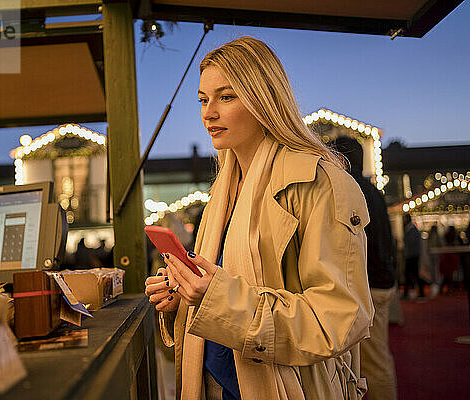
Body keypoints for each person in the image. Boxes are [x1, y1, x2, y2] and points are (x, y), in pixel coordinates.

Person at [144, 37, 373, 400]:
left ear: (264, 97)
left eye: (226, 96)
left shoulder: (321, 183)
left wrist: (216, 300)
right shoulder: (223, 189)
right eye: (203, 99)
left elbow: (339, 319)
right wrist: (184, 295)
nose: (209, 113)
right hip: (214, 386)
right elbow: (220, 290)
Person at [332, 137, 398, 400]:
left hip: (369, 285)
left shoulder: (350, 190)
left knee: (373, 362)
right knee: (371, 360)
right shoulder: (372, 190)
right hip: (381, 281)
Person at [403, 214, 424, 299]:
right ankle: (415, 292)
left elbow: (410, 242)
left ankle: (419, 293)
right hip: (413, 255)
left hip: (412, 255)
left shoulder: (411, 230)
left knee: (411, 274)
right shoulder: (412, 229)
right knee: (412, 274)